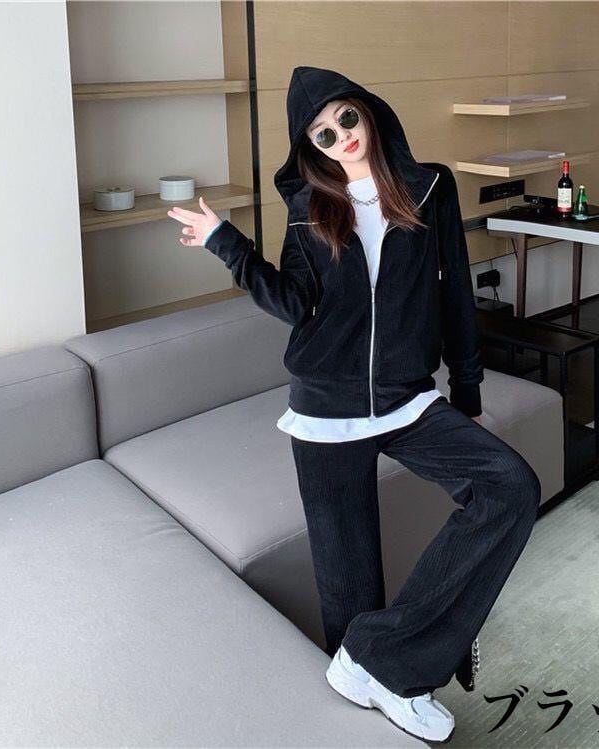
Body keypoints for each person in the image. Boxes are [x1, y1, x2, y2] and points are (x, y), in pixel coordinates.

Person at [168, 65, 541, 744]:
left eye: (345, 117)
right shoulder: (309, 206)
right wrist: (227, 243)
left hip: (407, 399)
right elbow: (294, 303)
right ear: (309, 146)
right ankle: (384, 696)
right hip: (324, 411)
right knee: (350, 599)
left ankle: (392, 659)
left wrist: (468, 393)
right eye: (322, 133)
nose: (340, 136)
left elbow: (455, 295)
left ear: (366, 111)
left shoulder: (429, 187)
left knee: (510, 487)